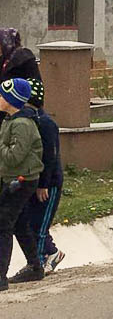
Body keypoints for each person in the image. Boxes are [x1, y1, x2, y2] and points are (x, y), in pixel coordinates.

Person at [8, 102, 63, 281]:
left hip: (48, 182)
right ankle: (50, 253)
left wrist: (44, 184)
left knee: (40, 225)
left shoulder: (45, 124)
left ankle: (39, 261)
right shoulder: (27, 122)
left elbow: (50, 156)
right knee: (30, 221)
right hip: (33, 180)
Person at [0, 79, 43, 291]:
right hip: (13, 178)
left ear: (11, 100)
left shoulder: (22, 125)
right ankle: (35, 265)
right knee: (18, 223)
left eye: (1, 96)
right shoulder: (11, 120)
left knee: (3, 224)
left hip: (21, 180)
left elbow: (13, 157)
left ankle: (0, 277)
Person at [0, 29, 44, 108]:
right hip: (4, 106)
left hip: (19, 107)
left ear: (6, 43)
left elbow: (35, 85)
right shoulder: (4, 58)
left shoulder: (24, 58)